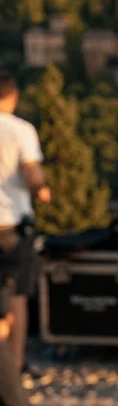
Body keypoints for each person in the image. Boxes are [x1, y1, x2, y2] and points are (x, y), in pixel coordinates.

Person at [0, 70, 50, 380]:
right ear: (13, 96)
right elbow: (31, 171)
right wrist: (41, 189)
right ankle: (14, 368)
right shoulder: (21, 130)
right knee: (16, 297)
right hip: (10, 225)